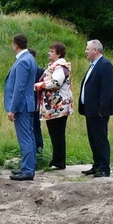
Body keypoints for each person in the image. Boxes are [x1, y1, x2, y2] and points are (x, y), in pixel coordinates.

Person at [77, 39, 113, 177]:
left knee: (100, 138)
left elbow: (107, 90)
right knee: (93, 138)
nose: (85, 51)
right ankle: (97, 165)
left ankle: (105, 168)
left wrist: (102, 110)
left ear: (95, 50)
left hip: (98, 111)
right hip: (90, 109)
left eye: (87, 49)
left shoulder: (105, 65)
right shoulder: (93, 65)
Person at [4, 33, 38, 180]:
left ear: (15, 45)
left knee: (25, 138)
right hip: (27, 104)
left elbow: (20, 87)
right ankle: (28, 166)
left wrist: (12, 109)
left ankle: (28, 170)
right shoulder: (30, 58)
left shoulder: (23, 61)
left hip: (22, 106)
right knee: (29, 136)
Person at [34, 42, 73, 170]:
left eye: (51, 51)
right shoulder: (54, 66)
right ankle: (56, 160)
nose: (48, 53)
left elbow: (56, 83)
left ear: (59, 54)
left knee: (57, 133)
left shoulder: (60, 67)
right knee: (54, 133)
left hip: (58, 106)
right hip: (53, 107)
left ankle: (59, 161)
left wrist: (38, 85)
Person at [29, 48, 45, 155]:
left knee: (36, 127)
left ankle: (39, 151)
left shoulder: (40, 71)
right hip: (26, 103)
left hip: (36, 103)